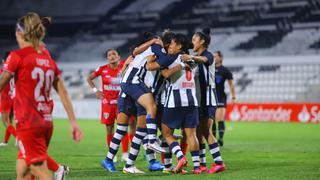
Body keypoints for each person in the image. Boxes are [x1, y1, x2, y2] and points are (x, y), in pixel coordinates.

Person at [0, 12, 83, 180]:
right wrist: (73, 121)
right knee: (23, 172)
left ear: (21, 33)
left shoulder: (16, 57)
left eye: (16, 31)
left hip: (28, 123)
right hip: (45, 122)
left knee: (39, 170)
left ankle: (58, 171)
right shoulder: (47, 59)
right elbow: (63, 92)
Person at [181, 28, 226, 174]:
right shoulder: (196, 56)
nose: (192, 42)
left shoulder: (207, 55)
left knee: (206, 131)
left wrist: (190, 57)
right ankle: (202, 164)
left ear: (202, 42)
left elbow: (205, 60)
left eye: (195, 39)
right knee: (198, 132)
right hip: (199, 99)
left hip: (208, 98)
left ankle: (219, 162)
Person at [159, 33, 202, 174]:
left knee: (166, 133)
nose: (169, 46)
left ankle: (180, 157)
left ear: (179, 46)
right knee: (191, 135)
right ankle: (197, 167)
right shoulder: (192, 60)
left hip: (174, 102)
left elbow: (165, 74)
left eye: (172, 44)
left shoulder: (172, 58)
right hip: (191, 101)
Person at [87, 49, 130, 162]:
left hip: (121, 102)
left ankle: (125, 153)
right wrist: (95, 90)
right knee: (109, 129)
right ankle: (113, 154)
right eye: (109, 55)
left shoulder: (124, 66)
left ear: (118, 57)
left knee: (123, 128)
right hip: (107, 104)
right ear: (107, 58)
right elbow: (89, 78)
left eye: (114, 54)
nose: (111, 56)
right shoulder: (102, 69)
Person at [213, 51, 235, 146]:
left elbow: (231, 84)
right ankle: (213, 140)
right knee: (212, 120)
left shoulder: (225, 70)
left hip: (221, 97)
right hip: (211, 96)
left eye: (216, 56)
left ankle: (220, 139)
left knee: (220, 118)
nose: (214, 58)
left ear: (220, 58)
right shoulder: (209, 69)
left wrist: (233, 96)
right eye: (213, 56)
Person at [0, 52, 16, 147]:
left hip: (5, 97)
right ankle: (5, 141)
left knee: (5, 121)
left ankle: (18, 137)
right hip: (14, 97)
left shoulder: (3, 72)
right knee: (10, 121)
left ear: (4, 61)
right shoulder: (15, 71)